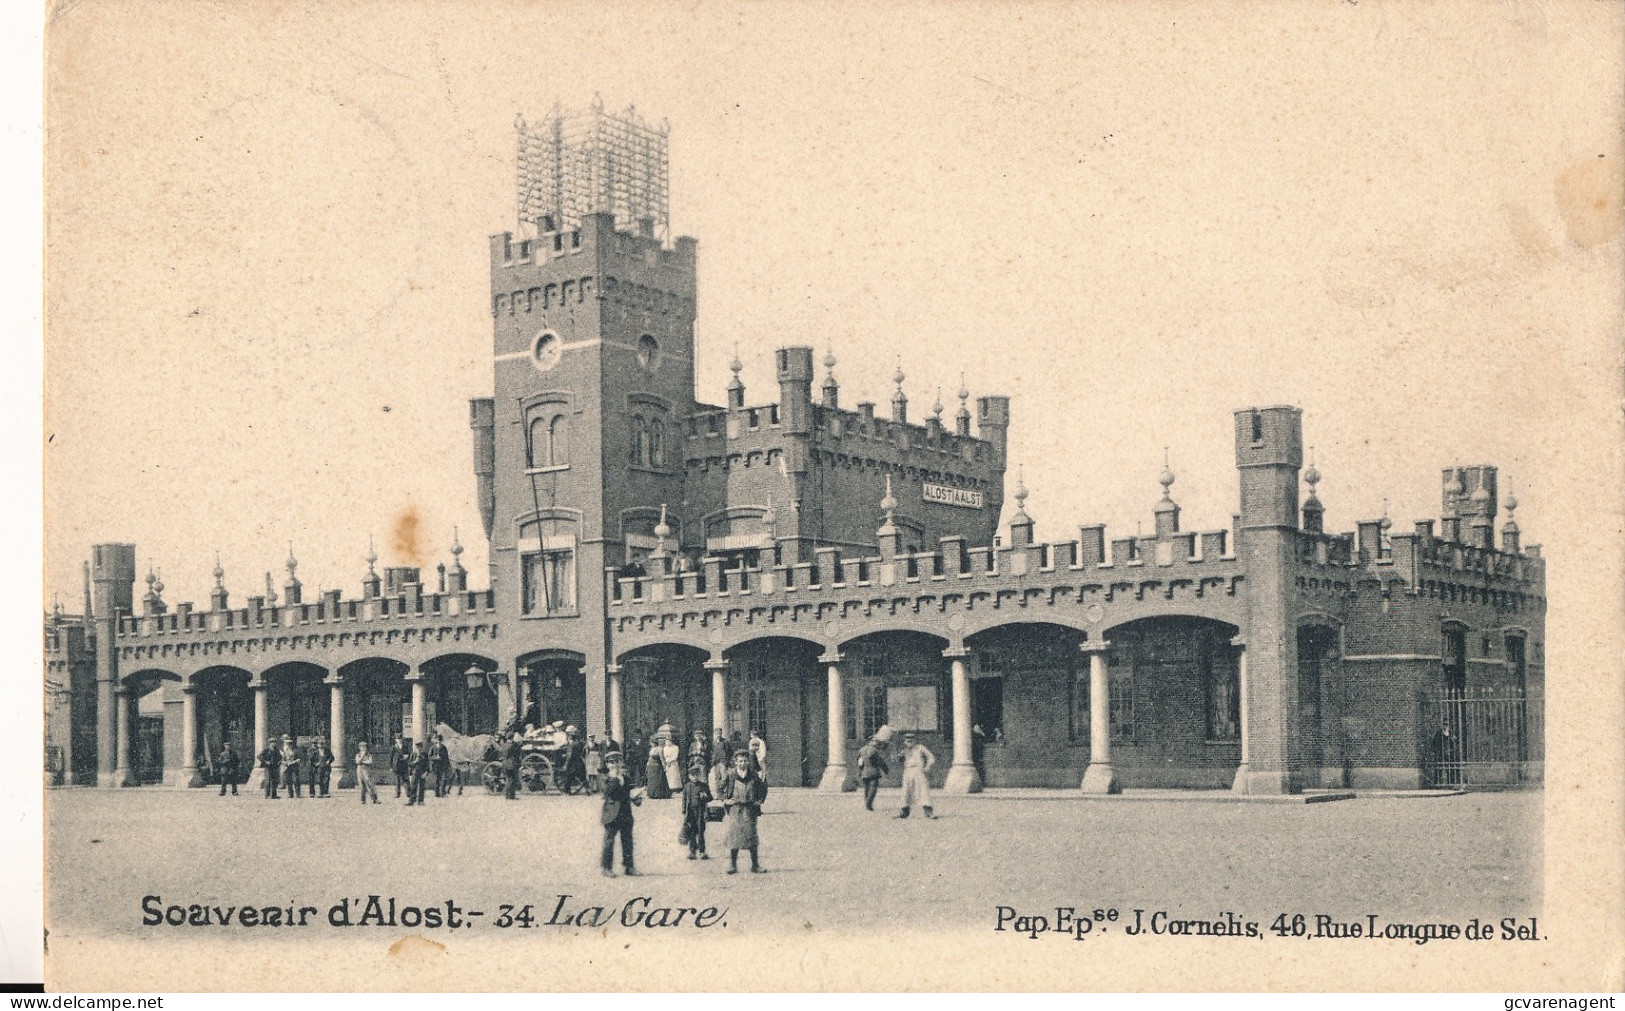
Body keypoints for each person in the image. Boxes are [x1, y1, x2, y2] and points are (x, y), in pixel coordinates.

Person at [718, 750, 767, 874]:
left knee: (751, 835)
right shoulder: (730, 774)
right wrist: (725, 800)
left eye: (745, 761)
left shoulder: (754, 774)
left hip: (750, 809)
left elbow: (763, 788)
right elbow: (719, 788)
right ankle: (732, 865)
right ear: (735, 762)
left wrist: (760, 800)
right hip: (735, 809)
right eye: (740, 761)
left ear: (748, 761)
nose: (743, 763)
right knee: (734, 836)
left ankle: (755, 865)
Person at [598, 751, 642, 877]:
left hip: (625, 812)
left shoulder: (626, 777)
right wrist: (616, 780)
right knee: (609, 841)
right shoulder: (605, 778)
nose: (615, 765)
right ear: (607, 764)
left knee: (627, 840)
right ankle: (606, 868)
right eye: (612, 763)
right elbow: (607, 792)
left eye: (617, 762)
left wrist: (636, 797)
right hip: (611, 814)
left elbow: (631, 791)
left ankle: (629, 866)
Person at [897, 732, 936, 819]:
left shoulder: (920, 748)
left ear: (915, 740)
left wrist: (927, 767)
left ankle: (928, 812)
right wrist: (900, 757)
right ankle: (904, 812)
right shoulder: (904, 751)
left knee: (923, 791)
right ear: (905, 741)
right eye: (907, 740)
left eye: (911, 739)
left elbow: (931, 757)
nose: (909, 741)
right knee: (906, 791)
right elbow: (899, 760)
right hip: (908, 771)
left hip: (918, 771)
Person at [680, 761, 712, 861]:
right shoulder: (687, 786)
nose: (695, 777)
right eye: (693, 775)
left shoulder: (704, 786)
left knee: (700, 831)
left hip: (700, 811)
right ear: (689, 776)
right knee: (692, 832)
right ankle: (692, 852)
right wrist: (684, 810)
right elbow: (684, 799)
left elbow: (710, 798)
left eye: (697, 775)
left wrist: (706, 797)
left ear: (700, 775)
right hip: (690, 812)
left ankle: (702, 851)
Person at [856, 734, 890, 811]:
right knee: (873, 788)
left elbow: (859, 761)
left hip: (864, 772)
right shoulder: (874, 750)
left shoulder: (861, 750)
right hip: (873, 771)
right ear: (870, 741)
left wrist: (860, 771)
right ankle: (869, 803)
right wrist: (886, 770)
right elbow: (881, 762)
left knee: (866, 788)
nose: (876, 743)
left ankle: (867, 802)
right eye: (874, 741)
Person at [644, 729, 670, 799]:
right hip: (651, 766)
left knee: (658, 780)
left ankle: (658, 794)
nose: (651, 743)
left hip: (657, 767)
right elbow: (650, 757)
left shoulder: (659, 748)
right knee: (651, 780)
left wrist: (664, 767)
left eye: (651, 742)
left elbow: (662, 758)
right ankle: (651, 793)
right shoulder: (652, 748)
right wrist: (647, 765)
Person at [660, 726, 683, 794]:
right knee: (668, 776)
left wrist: (670, 760)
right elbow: (664, 755)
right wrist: (667, 760)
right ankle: (669, 788)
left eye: (668, 741)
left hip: (673, 763)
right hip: (667, 763)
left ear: (671, 741)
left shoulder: (675, 747)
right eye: (666, 741)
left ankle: (676, 788)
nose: (667, 742)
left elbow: (675, 756)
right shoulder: (665, 748)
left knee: (674, 776)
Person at [406, 741, 429, 805]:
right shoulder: (413, 754)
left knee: (422, 787)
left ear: (422, 748)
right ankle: (412, 800)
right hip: (415, 772)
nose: (419, 749)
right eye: (417, 748)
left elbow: (428, 765)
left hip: (422, 772)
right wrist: (415, 762)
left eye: (420, 748)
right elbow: (409, 764)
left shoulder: (425, 755)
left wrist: (426, 773)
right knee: (413, 786)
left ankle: (420, 801)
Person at [501, 733, 521, 801]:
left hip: (505, 763)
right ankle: (511, 795)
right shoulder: (512, 746)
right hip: (511, 764)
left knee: (508, 779)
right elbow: (516, 755)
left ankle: (508, 795)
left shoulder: (504, 745)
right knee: (512, 780)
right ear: (512, 738)